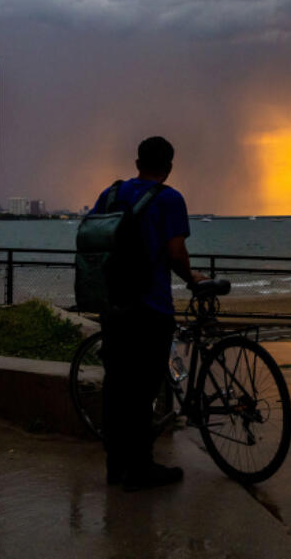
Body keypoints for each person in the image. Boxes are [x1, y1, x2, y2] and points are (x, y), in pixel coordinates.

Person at [91, 136, 206, 492]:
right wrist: (194, 279)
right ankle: (141, 468)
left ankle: (116, 466)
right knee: (143, 390)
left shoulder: (110, 195)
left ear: (137, 161)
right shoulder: (169, 199)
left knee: (117, 385)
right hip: (149, 308)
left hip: (112, 305)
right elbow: (175, 253)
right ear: (169, 166)